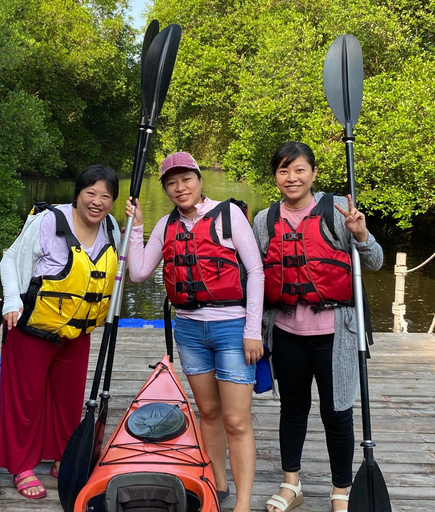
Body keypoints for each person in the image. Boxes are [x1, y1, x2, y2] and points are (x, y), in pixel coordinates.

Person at [124, 151, 264, 512]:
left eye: (185, 179)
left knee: (236, 419)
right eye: (171, 182)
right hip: (188, 331)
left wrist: (253, 330)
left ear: (199, 180)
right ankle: (218, 486)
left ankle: (243, 503)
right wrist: (136, 226)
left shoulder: (229, 214)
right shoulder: (165, 226)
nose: (179, 187)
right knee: (208, 413)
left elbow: (257, 272)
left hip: (232, 328)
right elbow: (139, 273)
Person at [253, 141, 383, 512]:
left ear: (312, 173)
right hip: (287, 332)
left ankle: (341, 488)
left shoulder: (337, 211)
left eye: (298, 170)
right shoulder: (265, 220)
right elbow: (257, 275)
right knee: (292, 409)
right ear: (275, 176)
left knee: (336, 411)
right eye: (283, 170)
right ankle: (291, 484)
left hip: (335, 334)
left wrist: (360, 234)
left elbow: (374, 262)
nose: (291, 178)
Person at [0, 165, 121, 499]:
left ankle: (63, 456)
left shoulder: (111, 227)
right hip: (32, 326)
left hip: (76, 333)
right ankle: (21, 465)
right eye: (91, 193)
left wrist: (136, 230)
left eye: (106, 196)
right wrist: (11, 299)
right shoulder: (49, 221)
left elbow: (128, 270)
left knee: (68, 402)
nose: (97, 202)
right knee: (25, 401)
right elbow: (10, 259)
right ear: (77, 194)